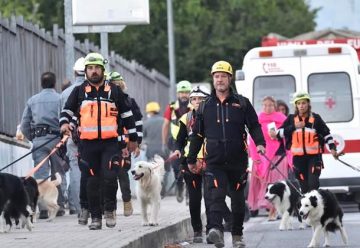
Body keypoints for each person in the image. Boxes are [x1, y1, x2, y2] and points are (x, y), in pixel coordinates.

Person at [187, 61, 265, 248]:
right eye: (216, 76)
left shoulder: (242, 103)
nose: (219, 79)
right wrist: (190, 158)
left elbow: (254, 125)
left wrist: (260, 143)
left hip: (238, 160)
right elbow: (197, 135)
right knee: (216, 196)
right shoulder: (204, 106)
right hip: (214, 161)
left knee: (238, 200)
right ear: (212, 80)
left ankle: (237, 235)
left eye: (223, 76)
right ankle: (216, 231)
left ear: (229, 79)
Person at [60, 52, 138, 230]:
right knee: (91, 181)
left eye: (96, 68)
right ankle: (95, 217)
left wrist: (133, 139)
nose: (93, 71)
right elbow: (67, 110)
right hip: (87, 144)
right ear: (85, 71)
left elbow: (127, 115)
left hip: (110, 143)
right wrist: (64, 124)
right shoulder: (79, 91)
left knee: (110, 177)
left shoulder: (114, 91)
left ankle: (109, 210)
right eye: (90, 68)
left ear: (103, 70)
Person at [270, 91, 338, 194]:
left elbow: (327, 135)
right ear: (296, 105)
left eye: (304, 103)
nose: (301, 106)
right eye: (299, 103)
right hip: (298, 159)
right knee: (304, 188)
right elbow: (277, 133)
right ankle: (307, 208)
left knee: (313, 185)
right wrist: (294, 127)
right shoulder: (291, 119)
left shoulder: (316, 118)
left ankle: (316, 207)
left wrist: (333, 149)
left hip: (314, 158)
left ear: (308, 104)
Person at [20, 72, 67, 219]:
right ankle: (58, 206)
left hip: (39, 140)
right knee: (58, 173)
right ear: (54, 83)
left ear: (41, 83)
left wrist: (33, 138)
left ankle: (43, 209)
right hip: (56, 140)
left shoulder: (32, 100)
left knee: (40, 176)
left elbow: (24, 124)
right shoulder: (60, 98)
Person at [172, 85, 211, 243]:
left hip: (211, 162)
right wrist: (177, 151)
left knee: (211, 198)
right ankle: (197, 231)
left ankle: (212, 229)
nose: (196, 101)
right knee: (195, 200)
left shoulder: (213, 117)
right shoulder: (185, 119)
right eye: (193, 99)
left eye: (200, 99)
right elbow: (179, 141)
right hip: (191, 163)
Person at [247, 96, 291, 221]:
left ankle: (274, 210)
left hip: (279, 156)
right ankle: (270, 209)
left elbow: (288, 136)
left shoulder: (282, 119)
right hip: (261, 156)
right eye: (265, 105)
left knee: (277, 184)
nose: (267, 108)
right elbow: (252, 139)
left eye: (270, 105)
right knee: (264, 185)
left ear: (274, 107)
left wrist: (278, 135)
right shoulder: (257, 119)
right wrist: (255, 157)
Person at [108, 71, 143, 217]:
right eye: (114, 84)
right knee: (109, 175)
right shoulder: (105, 102)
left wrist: (137, 143)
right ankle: (110, 207)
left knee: (122, 173)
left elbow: (138, 122)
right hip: (110, 142)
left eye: (118, 84)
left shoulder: (129, 101)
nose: (117, 87)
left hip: (126, 143)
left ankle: (127, 201)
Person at [60, 57, 85, 217]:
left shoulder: (65, 93)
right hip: (94, 137)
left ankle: (79, 208)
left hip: (71, 137)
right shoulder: (96, 89)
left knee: (75, 169)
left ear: (75, 72)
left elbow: (61, 118)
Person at [162, 80, 192, 202]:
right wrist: (164, 143)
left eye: (186, 92)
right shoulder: (171, 107)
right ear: (177, 94)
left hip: (190, 140)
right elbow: (165, 125)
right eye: (181, 92)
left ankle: (190, 192)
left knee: (191, 167)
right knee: (176, 167)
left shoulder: (194, 106)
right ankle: (180, 186)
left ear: (189, 93)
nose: (184, 95)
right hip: (176, 142)